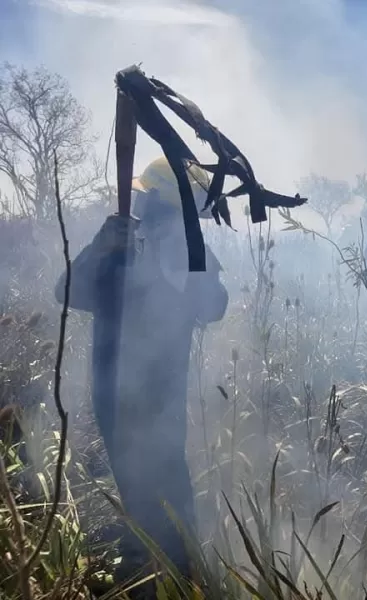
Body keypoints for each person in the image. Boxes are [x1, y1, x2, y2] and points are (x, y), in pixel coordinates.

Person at [55, 156, 228, 588]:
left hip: (163, 394)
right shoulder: (119, 243)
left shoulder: (192, 249)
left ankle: (177, 574)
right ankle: (144, 574)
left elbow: (214, 306)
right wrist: (101, 247)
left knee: (169, 483)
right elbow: (67, 291)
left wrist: (188, 266)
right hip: (114, 391)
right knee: (135, 486)